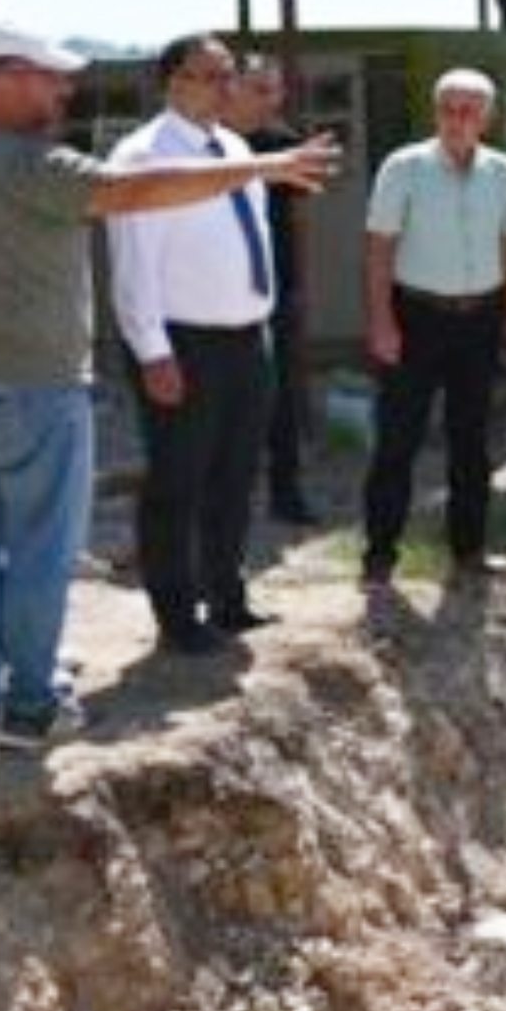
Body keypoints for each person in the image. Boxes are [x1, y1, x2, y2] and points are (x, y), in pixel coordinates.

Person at [0, 21, 337, 751]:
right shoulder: (38, 164)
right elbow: (134, 190)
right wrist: (264, 167)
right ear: (7, 75)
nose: (65, 89)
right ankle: (30, 702)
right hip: (34, 389)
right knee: (39, 549)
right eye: (51, 76)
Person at [106, 35, 287, 656]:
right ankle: (176, 611)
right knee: (177, 479)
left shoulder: (234, 148)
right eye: (209, 76)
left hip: (245, 337)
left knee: (234, 474)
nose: (225, 86)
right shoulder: (144, 155)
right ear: (173, 83)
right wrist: (153, 352)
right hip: (183, 341)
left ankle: (227, 596)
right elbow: (134, 266)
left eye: (228, 75)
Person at [360, 69, 506, 591]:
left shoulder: (504, 172)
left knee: (472, 441)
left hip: (479, 319)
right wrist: (382, 321)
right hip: (416, 317)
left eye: (470, 110)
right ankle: (380, 558)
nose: (458, 119)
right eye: (449, 109)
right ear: (435, 113)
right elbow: (378, 250)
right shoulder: (403, 167)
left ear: (487, 116)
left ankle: (469, 552)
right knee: (398, 441)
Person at [221, 58, 323, 528]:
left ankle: (287, 492)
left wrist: (299, 284)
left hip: (272, 286)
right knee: (221, 399)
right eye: (259, 88)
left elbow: (299, 221)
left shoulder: (284, 144)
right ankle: (223, 495)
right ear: (234, 88)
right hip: (212, 290)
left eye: (275, 90)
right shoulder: (208, 146)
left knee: (278, 395)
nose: (269, 98)